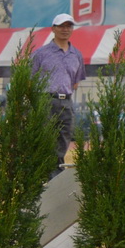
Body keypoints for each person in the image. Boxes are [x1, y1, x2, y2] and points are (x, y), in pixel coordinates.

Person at [30, 13, 86, 163]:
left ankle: (56, 170)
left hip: (66, 101)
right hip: (45, 100)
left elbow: (75, 82)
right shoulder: (40, 54)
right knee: (45, 138)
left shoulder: (77, 55)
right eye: (61, 26)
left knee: (64, 136)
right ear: (53, 29)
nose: (65, 29)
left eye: (69, 26)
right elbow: (29, 80)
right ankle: (47, 172)